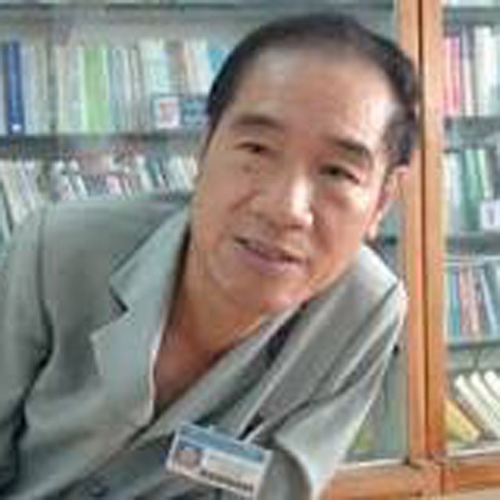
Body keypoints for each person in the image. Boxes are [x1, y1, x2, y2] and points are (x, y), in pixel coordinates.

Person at [0, 11, 419, 500]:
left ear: (382, 201)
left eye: (338, 172)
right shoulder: (59, 252)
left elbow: (275, 487)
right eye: (257, 149)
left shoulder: (362, 312)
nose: (285, 208)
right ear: (204, 150)